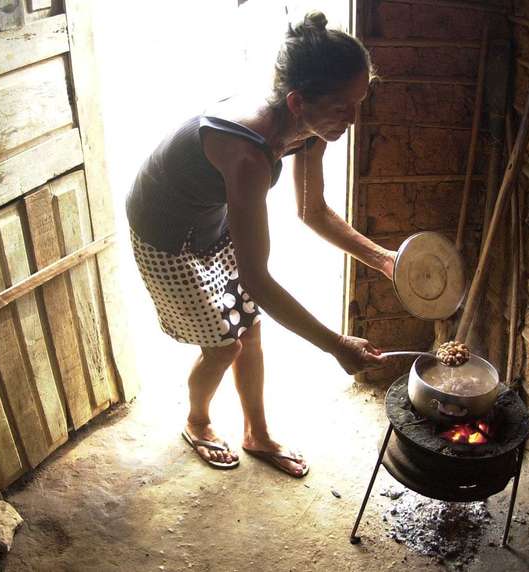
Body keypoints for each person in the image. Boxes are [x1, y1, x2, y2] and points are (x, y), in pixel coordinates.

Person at [125, 11, 395, 477]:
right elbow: (258, 277)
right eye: (341, 107)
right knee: (222, 345)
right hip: (165, 234)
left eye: (359, 101)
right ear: (297, 100)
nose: (352, 119)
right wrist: (335, 345)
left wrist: (384, 259)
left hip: (211, 217)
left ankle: (257, 434)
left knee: (249, 327)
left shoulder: (309, 127)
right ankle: (197, 421)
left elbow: (313, 210)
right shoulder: (248, 152)